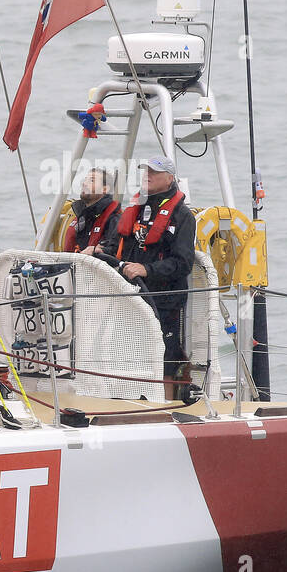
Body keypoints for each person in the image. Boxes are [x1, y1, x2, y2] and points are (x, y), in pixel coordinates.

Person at [114, 155, 196, 400]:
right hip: (133, 294)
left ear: (169, 178)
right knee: (129, 349)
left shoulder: (183, 216)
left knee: (166, 355)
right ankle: (132, 399)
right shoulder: (138, 210)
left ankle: (166, 404)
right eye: (145, 170)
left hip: (165, 298)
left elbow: (183, 263)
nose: (147, 175)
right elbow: (122, 246)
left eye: (154, 172)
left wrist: (147, 270)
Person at [65, 167, 120, 255]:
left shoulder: (114, 219)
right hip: (72, 265)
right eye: (85, 180)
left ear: (105, 189)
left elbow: (114, 251)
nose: (84, 184)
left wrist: (99, 250)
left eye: (92, 180)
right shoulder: (81, 216)